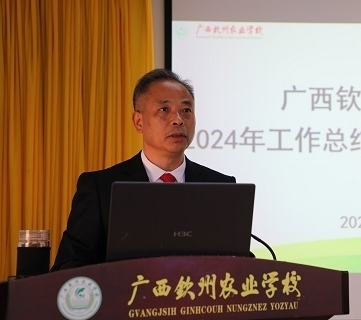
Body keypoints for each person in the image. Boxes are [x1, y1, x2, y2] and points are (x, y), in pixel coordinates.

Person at [51, 68, 236, 270]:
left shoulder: (221, 187)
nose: (178, 119)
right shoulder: (101, 188)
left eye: (186, 110)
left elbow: (238, 262)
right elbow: (69, 265)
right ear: (139, 122)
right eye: (164, 110)